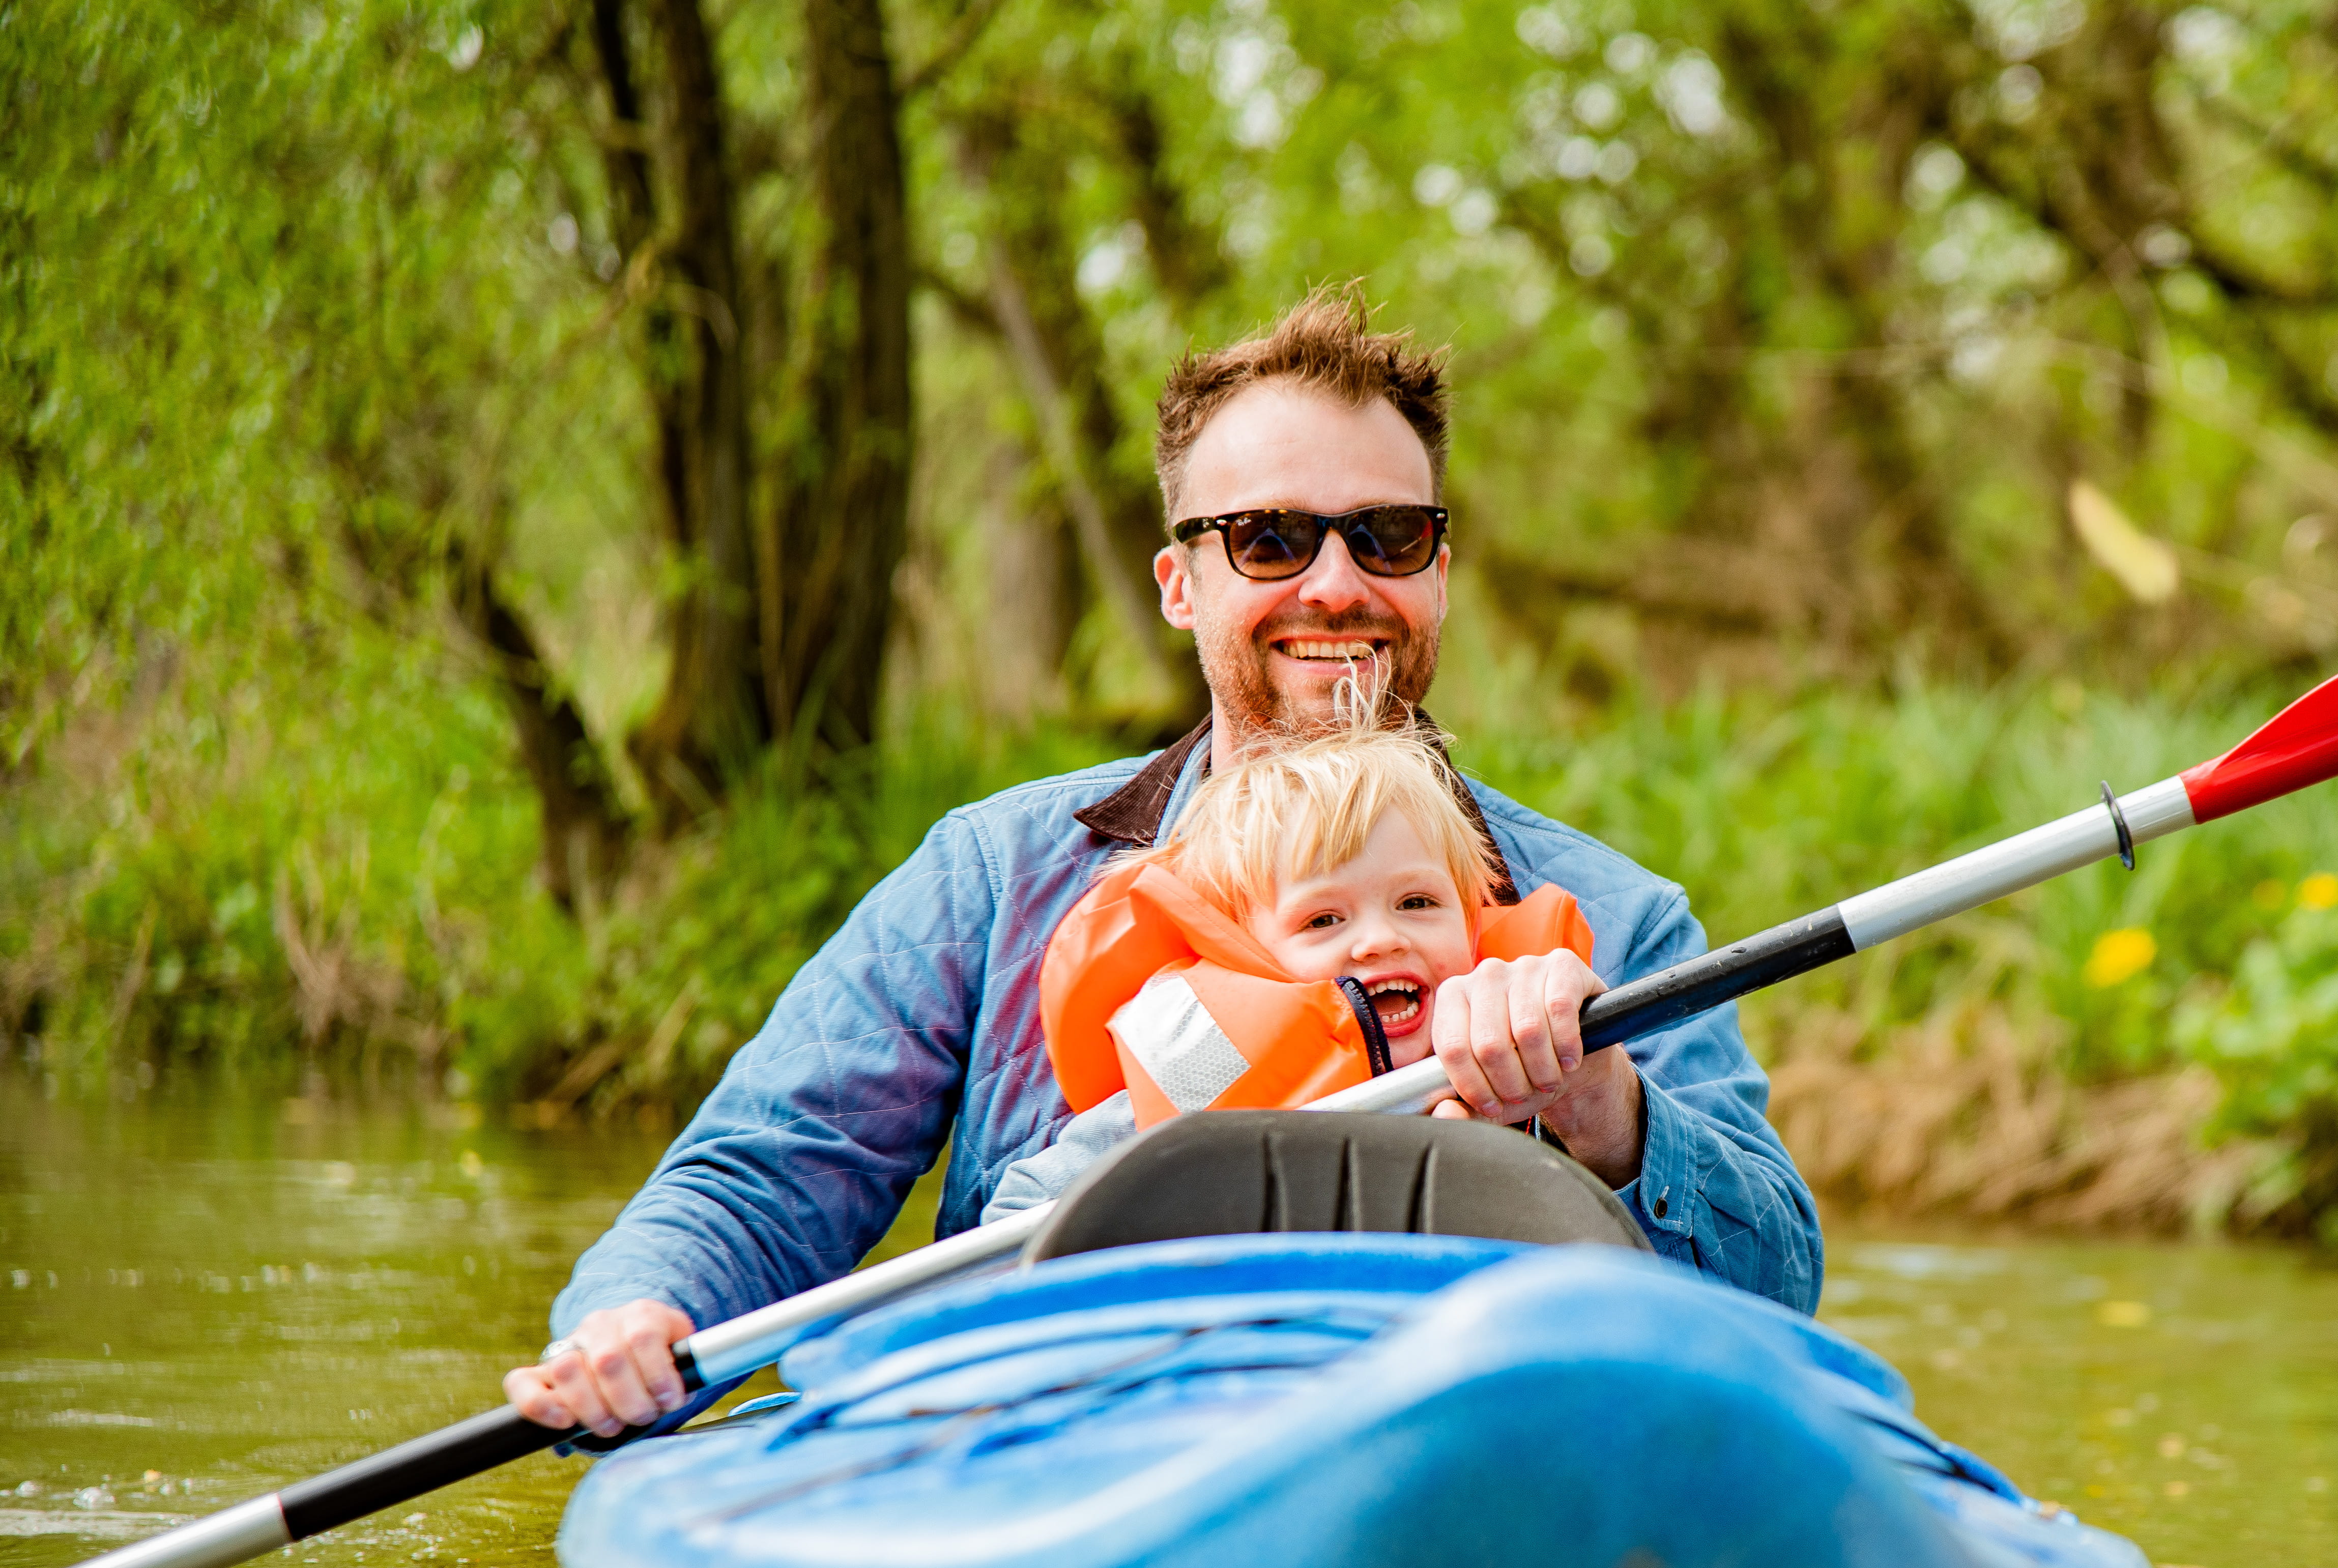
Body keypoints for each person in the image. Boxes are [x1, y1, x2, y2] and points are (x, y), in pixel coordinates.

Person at [513, 286, 1822, 1440]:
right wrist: (643, 1318)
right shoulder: (991, 877)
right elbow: (767, 1174)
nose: (1334, 584)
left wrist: (1604, 1112)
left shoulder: (1615, 921)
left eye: (1387, 537)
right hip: (1083, 1458)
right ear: (1179, 582)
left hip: (1474, 1470)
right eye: (1268, 539)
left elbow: (1779, 1293)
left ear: (1437, 573)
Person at [993, 717, 1600, 1211]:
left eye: (1417, 902)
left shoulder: (1535, 1060)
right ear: (1247, 952)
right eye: (1324, 920)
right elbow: (1016, 1219)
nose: (1379, 940)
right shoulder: (1197, 1087)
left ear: (1470, 920)